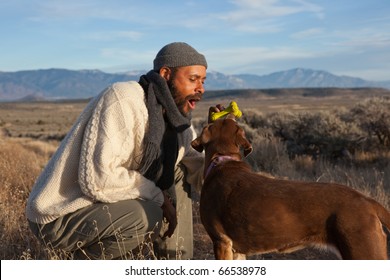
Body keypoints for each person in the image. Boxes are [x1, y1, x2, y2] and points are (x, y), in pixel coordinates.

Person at [26, 42, 209, 260]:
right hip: (62, 214)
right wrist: (158, 196)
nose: (201, 88)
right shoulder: (123, 99)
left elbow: (198, 167)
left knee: (178, 170)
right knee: (148, 215)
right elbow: (99, 180)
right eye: (193, 79)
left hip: (106, 206)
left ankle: (176, 260)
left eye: (203, 81)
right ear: (166, 74)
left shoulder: (179, 121)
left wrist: (221, 145)